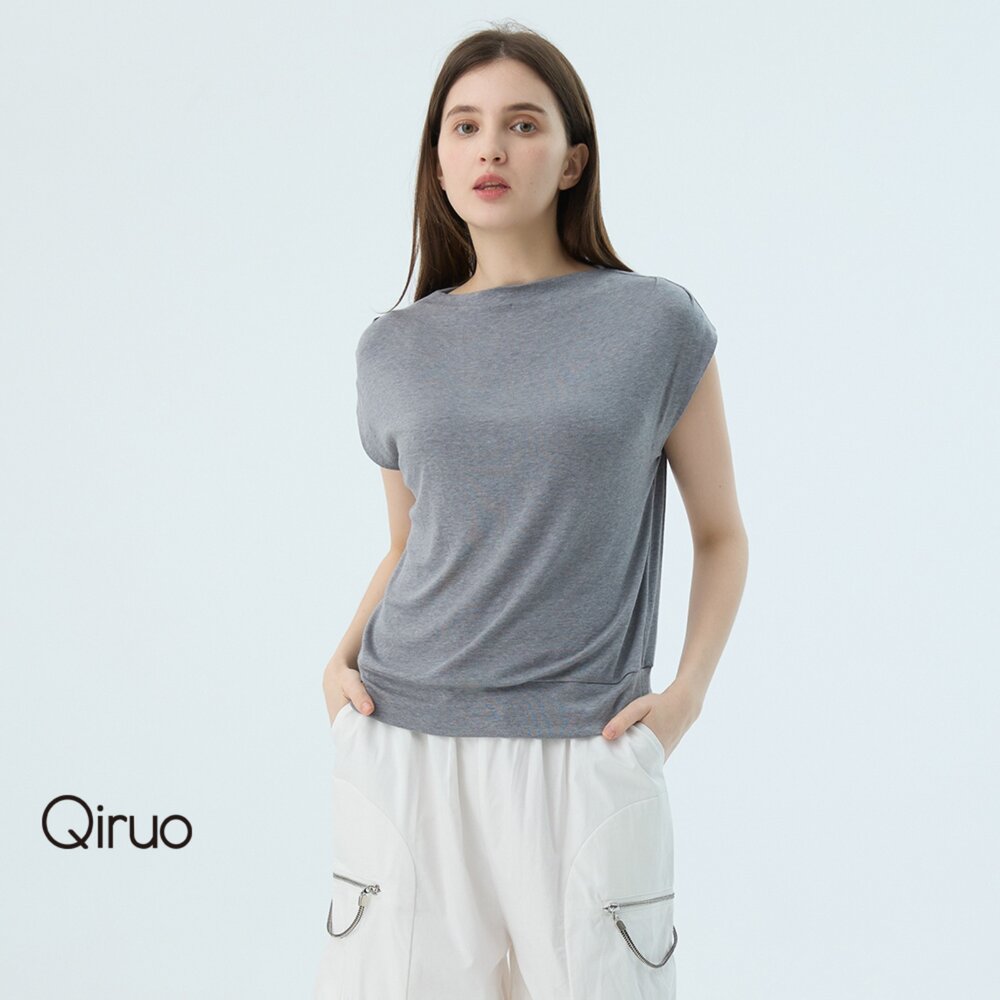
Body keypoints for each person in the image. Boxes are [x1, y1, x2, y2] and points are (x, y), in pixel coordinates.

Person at [314, 21, 748, 1000]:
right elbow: (408, 542)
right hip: (404, 741)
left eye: (522, 124)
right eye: (465, 127)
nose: (491, 149)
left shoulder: (655, 323)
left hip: (585, 748)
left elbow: (721, 534)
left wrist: (685, 697)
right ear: (437, 162)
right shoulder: (392, 347)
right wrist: (336, 664)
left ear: (572, 160)